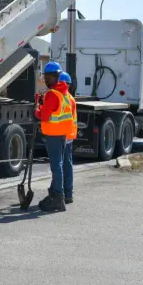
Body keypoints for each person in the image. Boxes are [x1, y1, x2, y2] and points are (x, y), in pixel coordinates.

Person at [34, 61, 73, 212]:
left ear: (56, 77)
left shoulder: (52, 94)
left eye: (48, 77)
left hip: (53, 134)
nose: (46, 80)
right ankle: (56, 194)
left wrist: (36, 109)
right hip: (62, 134)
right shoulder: (63, 93)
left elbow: (44, 116)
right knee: (59, 164)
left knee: (56, 165)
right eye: (45, 77)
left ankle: (58, 198)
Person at [59, 71, 77, 205]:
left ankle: (63, 193)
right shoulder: (70, 98)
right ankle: (68, 194)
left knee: (60, 165)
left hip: (63, 135)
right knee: (67, 164)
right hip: (68, 135)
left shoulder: (64, 98)